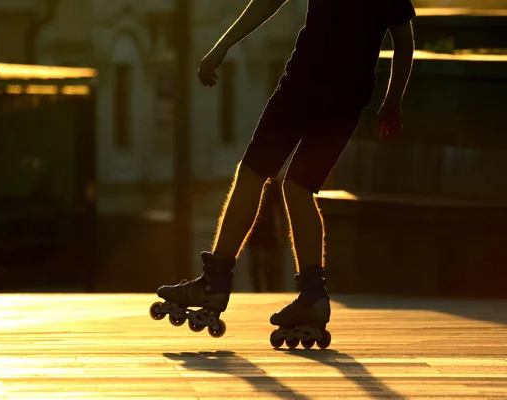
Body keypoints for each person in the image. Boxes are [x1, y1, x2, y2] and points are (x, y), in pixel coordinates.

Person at [154, 0, 415, 344]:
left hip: (303, 86)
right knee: (299, 188)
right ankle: (313, 295)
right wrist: (393, 100)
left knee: (252, 175)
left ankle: (214, 283)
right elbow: (404, 41)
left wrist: (222, 46)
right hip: (349, 99)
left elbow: (268, 2)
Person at [246, 178, 284, 292]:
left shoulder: (272, 183)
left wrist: (281, 229)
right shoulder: (250, 181)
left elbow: (280, 208)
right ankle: (259, 291)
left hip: (267, 228)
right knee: (257, 263)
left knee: (269, 264)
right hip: (256, 229)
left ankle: (269, 290)